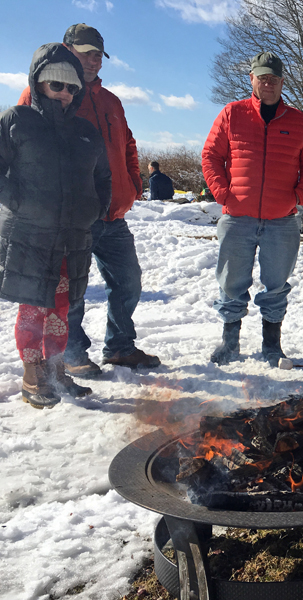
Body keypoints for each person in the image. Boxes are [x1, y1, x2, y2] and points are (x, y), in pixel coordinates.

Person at [18, 24, 159, 376]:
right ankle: (73, 354)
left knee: (128, 281)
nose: (94, 59)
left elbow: (128, 144)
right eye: (86, 51)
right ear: (68, 50)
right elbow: (24, 148)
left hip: (113, 214)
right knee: (73, 291)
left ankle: (120, 347)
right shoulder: (47, 94)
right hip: (73, 217)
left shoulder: (111, 100)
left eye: (98, 53)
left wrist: (134, 181)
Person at [0, 43, 111, 408]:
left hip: (72, 236)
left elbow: (102, 178)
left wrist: (93, 210)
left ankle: (56, 368)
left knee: (62, 307)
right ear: (38, 83)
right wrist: (20, 204)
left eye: (71, 88)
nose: (64, 94)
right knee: (35, 305)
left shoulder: (84, 131)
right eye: (56, 85)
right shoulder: (16, 120)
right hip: (31, 234)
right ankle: (33, 374)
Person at [202, 51, 303, 366]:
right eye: (262, 77)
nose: (268, 83)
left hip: (281, 221)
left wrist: (298, 197)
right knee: (231, 283)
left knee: (276, 284)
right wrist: (222, 193)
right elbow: (211, 156)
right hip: (237, 218)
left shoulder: (298, 121)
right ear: (252, 79)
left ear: (282, 82)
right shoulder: (232, 114)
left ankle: (272, 345)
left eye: (274, 78)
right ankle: (230, 344)